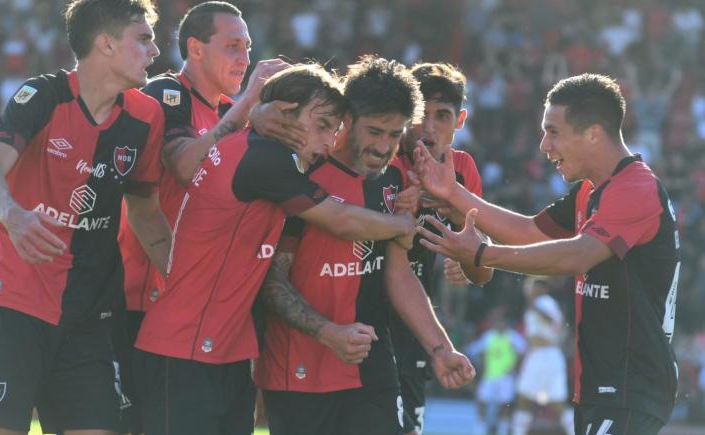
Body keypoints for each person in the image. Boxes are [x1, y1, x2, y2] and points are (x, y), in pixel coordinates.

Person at [133, 62, 417, 435]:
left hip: (227, 349)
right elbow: (341, 220)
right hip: (183, 347)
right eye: (322, 126)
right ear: (282, 114)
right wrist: (403, 225)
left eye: (334, 129)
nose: (330, 142)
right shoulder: (264, 158)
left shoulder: (256, 150)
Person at [414, 73, 680, 435]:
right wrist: (454, 193)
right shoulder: (591, 191)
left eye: (553, 131)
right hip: (601, 387)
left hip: (630, 386)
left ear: (593, 133)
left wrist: (482, 255)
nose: (544, 145)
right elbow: (528, 231)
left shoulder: (636, 188)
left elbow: (578, 257)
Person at [0, 1, 172, 434]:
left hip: (91, 316)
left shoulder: (146, 117)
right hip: (16, 305)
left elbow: (146, 211)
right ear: (107, 43)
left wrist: (185, 278)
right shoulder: (42, 96)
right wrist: (14, 216)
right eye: (144, 38)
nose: (155, 51)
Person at [255, 56, 475, 435]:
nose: (383, 146)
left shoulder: (393, 181)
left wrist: (441, 348)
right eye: (374, 131)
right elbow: (273, 282)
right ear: (348, 120)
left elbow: (399, 274)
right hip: (300, 370)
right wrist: (329, 333)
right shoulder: (303, 172)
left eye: (394, 134)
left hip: (371, 366)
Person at [113, 2, 300, 431]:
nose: (245, 58)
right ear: (195, 49)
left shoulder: (232, 113)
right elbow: (183, 165)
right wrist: (249, 103)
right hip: (143, 304)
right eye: (232, 46)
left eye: (248, 47)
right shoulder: (166, 93)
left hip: (203, 312)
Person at [393, 62, 492, 435]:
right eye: (421, 114)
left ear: (460, 120)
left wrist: (467, 261)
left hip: (415, 325)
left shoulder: (462, 170)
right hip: (365, 316)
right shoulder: (384, 158)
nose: (429, 127)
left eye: (442, 116)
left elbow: (482, 270)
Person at [511, 276, 574, 435]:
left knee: (553, 403)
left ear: (541, 288)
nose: (528, 290)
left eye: (532, 287)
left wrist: (534, 308)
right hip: (537, 355)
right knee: (525, 399)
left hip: (546, 355)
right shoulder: (534, 305)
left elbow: (555, 322)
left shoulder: (545, 302)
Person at [466, 308, 526, 435]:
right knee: (482, 402)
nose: (499, 324)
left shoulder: (513, 336)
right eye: (497, 322)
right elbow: (473, 350)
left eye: (501, 322)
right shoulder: (489, 336)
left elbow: (524, 352)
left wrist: (515, 368)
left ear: (506, 323)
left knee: (505, 406)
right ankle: (480, 430)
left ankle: (502, 431)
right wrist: (481, 366)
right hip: (490, 376)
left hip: (506, 378)